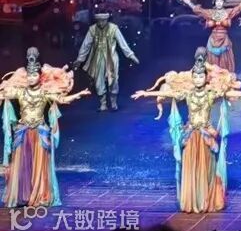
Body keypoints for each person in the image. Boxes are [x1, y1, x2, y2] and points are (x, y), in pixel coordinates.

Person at [132, 56, 241, 213]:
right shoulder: (187, 93)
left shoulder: (211, 93)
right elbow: (171, 93)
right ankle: (192, 200)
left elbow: (228, 93)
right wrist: (146, 94)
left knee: (206, 168)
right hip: (191, 135)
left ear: (206, 78)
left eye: (201, 76)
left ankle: (205, 199)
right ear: (192, 78)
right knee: (191, 167)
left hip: (206, 135)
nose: (198, 79)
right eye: (195, 77)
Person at [1, 54, 89, 207]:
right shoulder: (20, 92)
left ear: (39, 76)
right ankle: (24, 195)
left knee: (40, 166)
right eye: (29, 75)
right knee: (22, 165)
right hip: (23, 132)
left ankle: (40, 194)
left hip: (40, 133)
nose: (31, 78)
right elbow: (3, 94)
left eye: (34, 75)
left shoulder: (44, 92)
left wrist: (78, 94)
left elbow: (62, 100)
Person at [74, 12, 139, 112]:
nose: (101, 23)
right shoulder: (92, 29)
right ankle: (103, 104)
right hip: (97, 58)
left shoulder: (114, 28)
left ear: (107, 20)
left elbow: (122, 43)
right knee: (98, 81)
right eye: (99, 21)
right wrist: (80, 59)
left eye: (103, 20)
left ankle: (113, 103)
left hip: (111, 58)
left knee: (113, 80)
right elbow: (86, 45)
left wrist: (131, 55)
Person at [179, 0, 241, 73]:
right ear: (215, 2)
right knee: (212, 59)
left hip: (224, 39)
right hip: (213, 39)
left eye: (220, 1)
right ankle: (213, 75)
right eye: (217, 1)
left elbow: (239, 8)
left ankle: (225, 76)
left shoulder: (228, 12)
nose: (219, 3)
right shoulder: (211, 13)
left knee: (224, 59)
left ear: (223, 2)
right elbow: (199, 11)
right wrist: (189, 3)